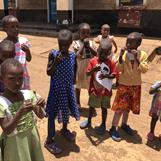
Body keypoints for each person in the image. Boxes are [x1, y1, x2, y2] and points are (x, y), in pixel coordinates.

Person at [0, 58, 45, 161]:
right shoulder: (1, 103)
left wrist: (40, 107)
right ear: (1, 79)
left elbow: (41, 115)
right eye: (11, 78)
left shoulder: (28, 94)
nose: (17, 83)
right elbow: (6, 129)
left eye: (20, 78)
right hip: (15, 145)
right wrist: (19, 113)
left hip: (32, 139)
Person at [45, 29, 80, 154]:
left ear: (70, 43)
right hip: (56, 89)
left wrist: (73, 82)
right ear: (58, 42)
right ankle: (49, 140)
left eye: (66, 45)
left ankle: (64, 129)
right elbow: (48, 72)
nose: (63, 47)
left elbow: (75, 68)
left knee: (66, 110)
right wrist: (56, 62)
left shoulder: (72, 55)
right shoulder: (53, 54)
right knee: (52, 113)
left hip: (67, 88)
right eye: (61, 45)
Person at [109, 32, 149, 141]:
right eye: (127, 41)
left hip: (135, 85)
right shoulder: (123, 54)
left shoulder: (143, 55)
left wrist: (137, 58)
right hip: (124, 84)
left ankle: (124, 124)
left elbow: (144, 69)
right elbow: (118, 69)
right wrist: (121, 58)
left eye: (131, 42)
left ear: (138, 43)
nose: (128, 44)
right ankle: (113, 127)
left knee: (128, 108)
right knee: (120, 108)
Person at [80, 41, 116, 135]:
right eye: (101, 52)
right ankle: (89, 121)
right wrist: (93, 70)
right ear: (97, 50)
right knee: (91, 106)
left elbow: (114, 75)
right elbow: (87, 73)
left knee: (104, 108)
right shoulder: (93, 61)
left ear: (109, 53)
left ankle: (103, 124)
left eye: (105, 53)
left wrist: (107, 76)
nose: (103, 55)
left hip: (106, 91)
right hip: (95, 90)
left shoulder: (111, 63)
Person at [2, 15, 32, 90]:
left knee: (23, 96)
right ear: (5, 29)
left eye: (17, 26)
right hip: (9, 79)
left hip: (22, 77)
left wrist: (27, 51)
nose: (16, 29)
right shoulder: (2, 45)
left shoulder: (23, 41)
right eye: (12, 27)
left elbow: (29, 59)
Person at [73, 23, 97, 108]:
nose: (85, 35)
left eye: (87, 33)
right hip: (80, 67)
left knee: (90, 85)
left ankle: (91, 102)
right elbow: (78, 55)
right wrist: (83, 45)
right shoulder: (76, 43)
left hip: (90, 67)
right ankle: (77, 102)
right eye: (83, 33)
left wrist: (89, 47)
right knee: (78, 85)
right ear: (79, 33)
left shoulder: (92, 43)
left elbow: (96, 54)